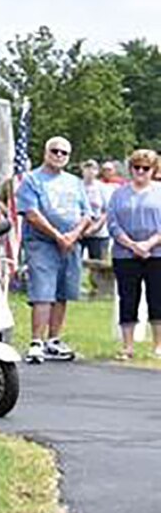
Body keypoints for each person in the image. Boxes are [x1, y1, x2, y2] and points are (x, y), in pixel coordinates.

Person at [17, 135, 98, 363]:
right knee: (43, 292)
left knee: (63, 291)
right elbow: (31, 213)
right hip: (41, 243)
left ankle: (53, 340)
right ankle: (36, 341)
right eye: (55, 151)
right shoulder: (32, 180)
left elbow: (87, 214)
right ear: (46, 153)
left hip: (71, 243)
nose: (59, 155)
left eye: (64, 153)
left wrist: (73, 235)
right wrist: (56, 235)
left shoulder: (75, 182)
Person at [105, 148, 161, 360]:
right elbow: (113, 223)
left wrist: (148, 244)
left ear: (153, 170)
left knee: (157, 298)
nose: (140, 171)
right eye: (136, 167)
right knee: (128, 298)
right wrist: (132, 245)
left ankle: (158, 345)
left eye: (146, 168)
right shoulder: (119, 194)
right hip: (125, 254)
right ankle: (127, 346)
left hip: (156, 253)